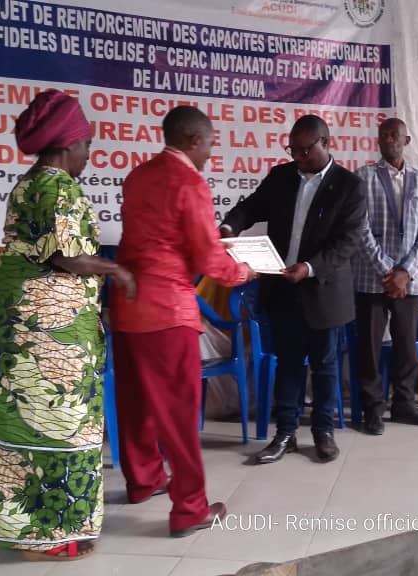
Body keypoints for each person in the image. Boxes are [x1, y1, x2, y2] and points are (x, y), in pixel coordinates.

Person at [0, 89, 136, 560]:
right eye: (86, 146)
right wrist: (116, 270)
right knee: (57, 422)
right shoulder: (58, 185)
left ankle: (33, 529)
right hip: (45, 328)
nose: (88, 155)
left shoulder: (28, 183)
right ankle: (48, 536)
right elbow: (69, 257)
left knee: (25, 420)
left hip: (21, 317)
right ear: (68, 146)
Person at [109, 106, 257, 537]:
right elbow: (207, 255)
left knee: (135, 403)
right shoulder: (189, 181)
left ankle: (143, 480)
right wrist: (242, 271)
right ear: (194, 140)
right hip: (167, 311)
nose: (212, 152)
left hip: (128, 304)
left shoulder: (138, 176)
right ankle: (190, 508)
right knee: (177, 412)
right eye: (211, 143)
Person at [220, 115, 366, 464]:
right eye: (293, 149)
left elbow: (347, 242)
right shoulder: (281, 176)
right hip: (282, 287)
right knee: (288, 363)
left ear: (326, 144)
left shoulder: (349, 186)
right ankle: (284, 433)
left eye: (305, 150)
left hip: (323, 289)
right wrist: (230, 225)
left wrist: (310, 267)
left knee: (325, 364)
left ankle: (323, 433)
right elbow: (251, 206)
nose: (298, 156)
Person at [353, 118, 418, 434]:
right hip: (371, 278)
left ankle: (403, 406)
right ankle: (372, 409)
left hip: (410, 281)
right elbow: (360, 230)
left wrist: (405, 272)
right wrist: (389, 271)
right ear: (377, 140)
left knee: (405, 346)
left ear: (407, 139)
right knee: (370, 348)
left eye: (395, 135)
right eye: (384, 135)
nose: (390, 139)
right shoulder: (362, 178)